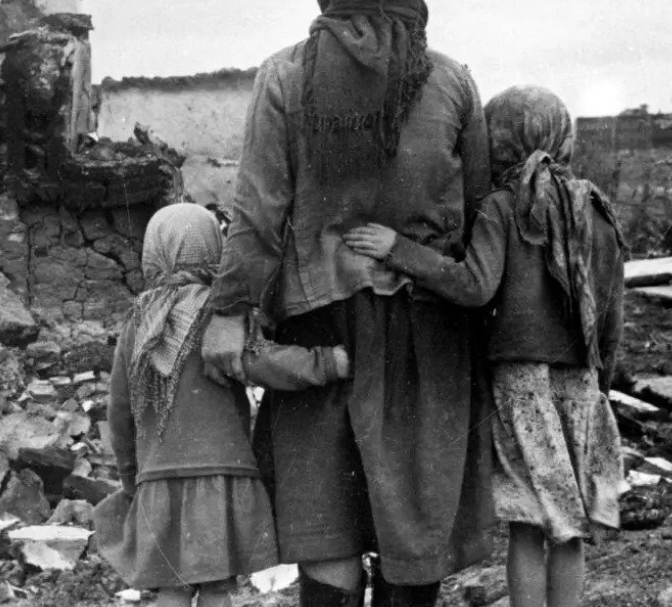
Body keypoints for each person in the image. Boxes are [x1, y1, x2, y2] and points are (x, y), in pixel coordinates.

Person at [201, 1, 494, 605]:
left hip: (319, 331)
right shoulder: (453, 81)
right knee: (413, 524)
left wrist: (229, 311)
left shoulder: (284, 75)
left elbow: (258, 209)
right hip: (428, 336)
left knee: (326, 523)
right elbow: (478, 210)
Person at [344, 85, 625, 607]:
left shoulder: (504, 205)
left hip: (521, 385)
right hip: (583, 385)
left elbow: (474, 286)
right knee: (570, 526)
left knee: (527, 523)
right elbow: (611, 315)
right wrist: (600, 386)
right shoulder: (596, 209)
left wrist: (400, 250)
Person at [95, 203, 352, 607]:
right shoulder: (222, 318)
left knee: (173, 588)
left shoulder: (137, 324)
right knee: (216, 589)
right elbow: (264, 362)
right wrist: (327, 362)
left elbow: (120, 413)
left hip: (159, 482)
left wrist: (133, 480)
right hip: (222, 480)